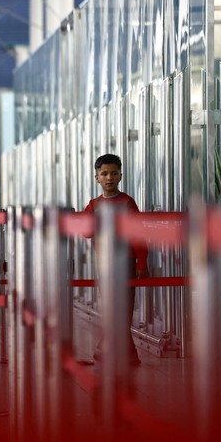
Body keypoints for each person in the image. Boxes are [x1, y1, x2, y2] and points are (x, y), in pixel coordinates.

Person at [83, 153, 148, 367]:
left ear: (121, 175)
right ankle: (127, 355)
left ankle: (108, 349)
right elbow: (86, 232)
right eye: (104, 173)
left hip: (127, 262)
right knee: (111, 307)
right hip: (105, 262)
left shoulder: (127, 202)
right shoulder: (93, 205)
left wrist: (141, 261)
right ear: (97, 178)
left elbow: (138, 234)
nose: (109, 177)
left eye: (114, 173)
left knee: (123, 308)